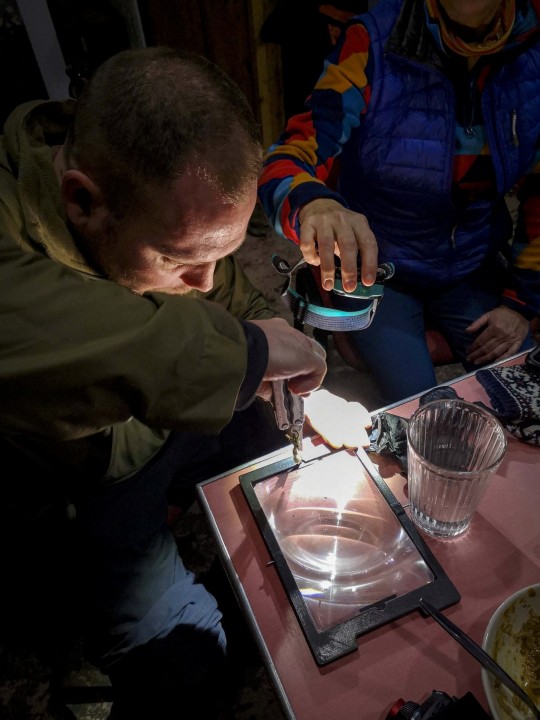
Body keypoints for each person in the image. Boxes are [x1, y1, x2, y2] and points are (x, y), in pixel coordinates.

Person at [0, 46, 327, 719]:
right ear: (83, 201)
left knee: (284, 470)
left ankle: (236, 592)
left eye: (223, 254)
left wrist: (259, 325)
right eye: (181, 261)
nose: (203, 284)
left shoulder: (158, 213)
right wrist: (251, 351)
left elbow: (222, 301)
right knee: (185, 669)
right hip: (81, 484)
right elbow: (90, 341)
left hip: (163, 423)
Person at [258, 0, 540, 405]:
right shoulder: (370, 41)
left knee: (528, 394)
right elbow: (286, 158)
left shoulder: (532, 53)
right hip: (378, 273)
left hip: (470, 266)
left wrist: (521, 302)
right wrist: (313, 202)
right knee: (422, 413)